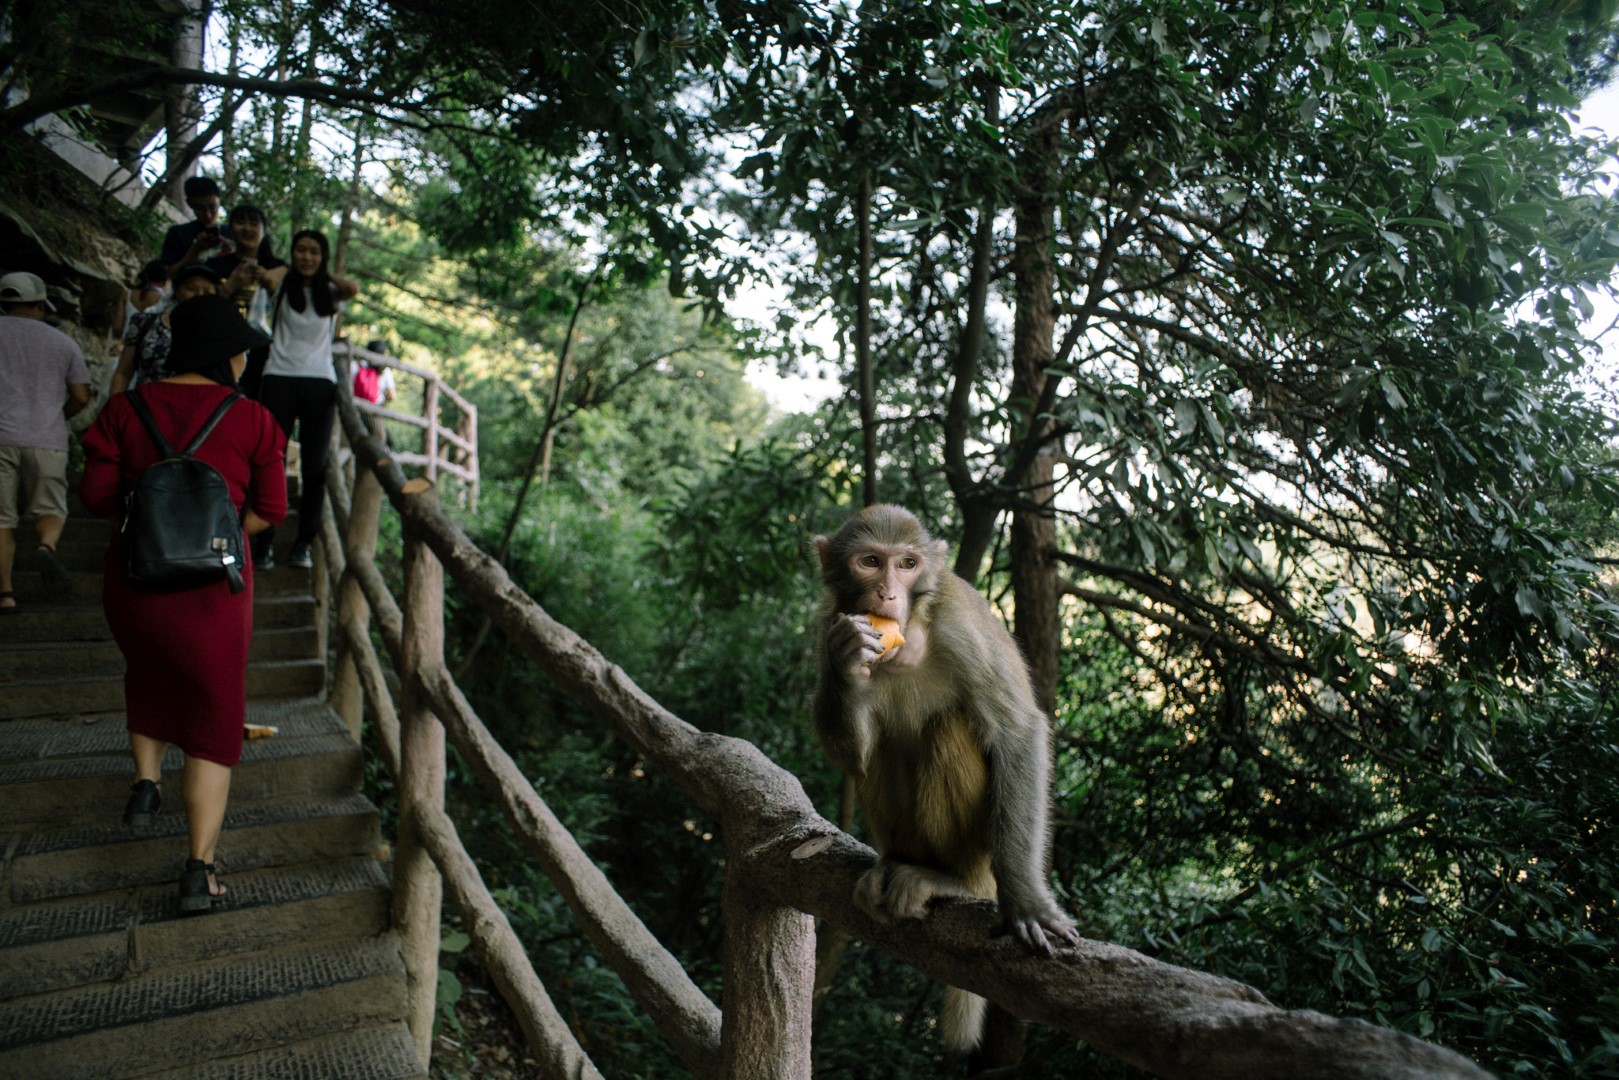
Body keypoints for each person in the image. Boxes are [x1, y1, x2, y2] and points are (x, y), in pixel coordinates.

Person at [79, 293, 287, 913]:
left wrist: (154, 531)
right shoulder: (254, 420)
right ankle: (198, 870)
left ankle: (146, 784)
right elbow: (271, 511)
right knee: (216, 719)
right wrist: (215, 546)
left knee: (147, 671)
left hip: (136, 582)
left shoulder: (124, 409)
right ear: (226, 355)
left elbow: (95, 497)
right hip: (214, 595)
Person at [253, 230, 358, 571]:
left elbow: (352, 288)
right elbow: (268, 277)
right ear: (292, 252)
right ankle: (263, 540)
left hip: (319, 383)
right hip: (278, 378)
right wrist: (290, 269)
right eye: (301, 251)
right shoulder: (282, 286)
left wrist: (321, 271)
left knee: (315, 468)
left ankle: (303, 544)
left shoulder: (330, 292)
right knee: (270, 460)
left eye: (314, 252)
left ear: (323, 256)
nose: (307, 257)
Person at [0, 271, 91, 613]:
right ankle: (46, 547)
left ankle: (6, 594)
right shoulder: (62, 342)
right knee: (50, 508)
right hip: (46, 439)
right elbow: (81, 396)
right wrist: (58, 416)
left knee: (1, 520)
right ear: (39, 305)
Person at [206, 205, 284, 399]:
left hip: (265, 352)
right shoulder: (214, 265)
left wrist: (268, 280)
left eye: (253, 223)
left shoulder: (278, 268)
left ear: (264, 229)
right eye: (240, 222)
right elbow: (204, 308)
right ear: (231, 228)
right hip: (221, 348)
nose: (247, 229)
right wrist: (230, 285)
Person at [109, 264, 222, 395]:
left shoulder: (220, 335)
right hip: (143, 408)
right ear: (177, 291)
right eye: (191, 288)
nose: (199, 295)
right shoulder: (145, 323)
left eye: (207, 291)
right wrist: (114, 410)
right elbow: (123, 374)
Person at [160, 176, 232, 278]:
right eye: (200, 209)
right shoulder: (178, 234)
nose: (208, 215)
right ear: (190, 204)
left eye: (212, 207)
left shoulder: (233, 233)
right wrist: (195, 250)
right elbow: (167, 276)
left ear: (220, 200)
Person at [353, 338, 397, 405]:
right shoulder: (385, 371)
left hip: (354, 404)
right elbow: (392, 396)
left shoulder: (357, 365)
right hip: (374, 408)